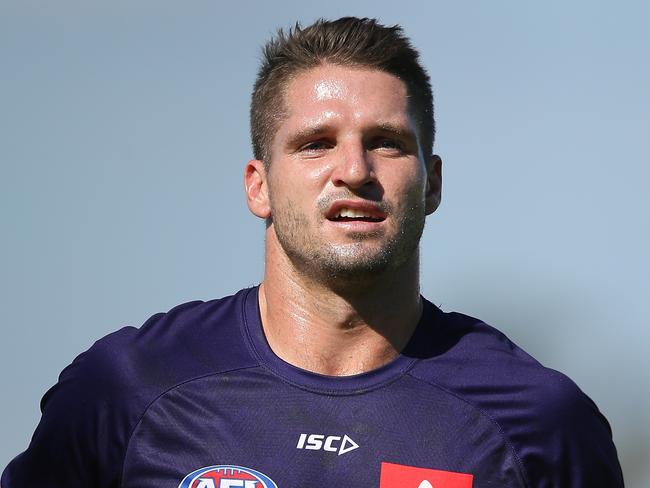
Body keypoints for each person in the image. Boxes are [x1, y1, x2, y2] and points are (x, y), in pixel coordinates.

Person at [2, 17, 623, 488]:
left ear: (432, 182)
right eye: (314, 144)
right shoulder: (128, 389)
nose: (353, 170)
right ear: (258, 185)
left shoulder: (540, 423)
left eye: (386, 142)